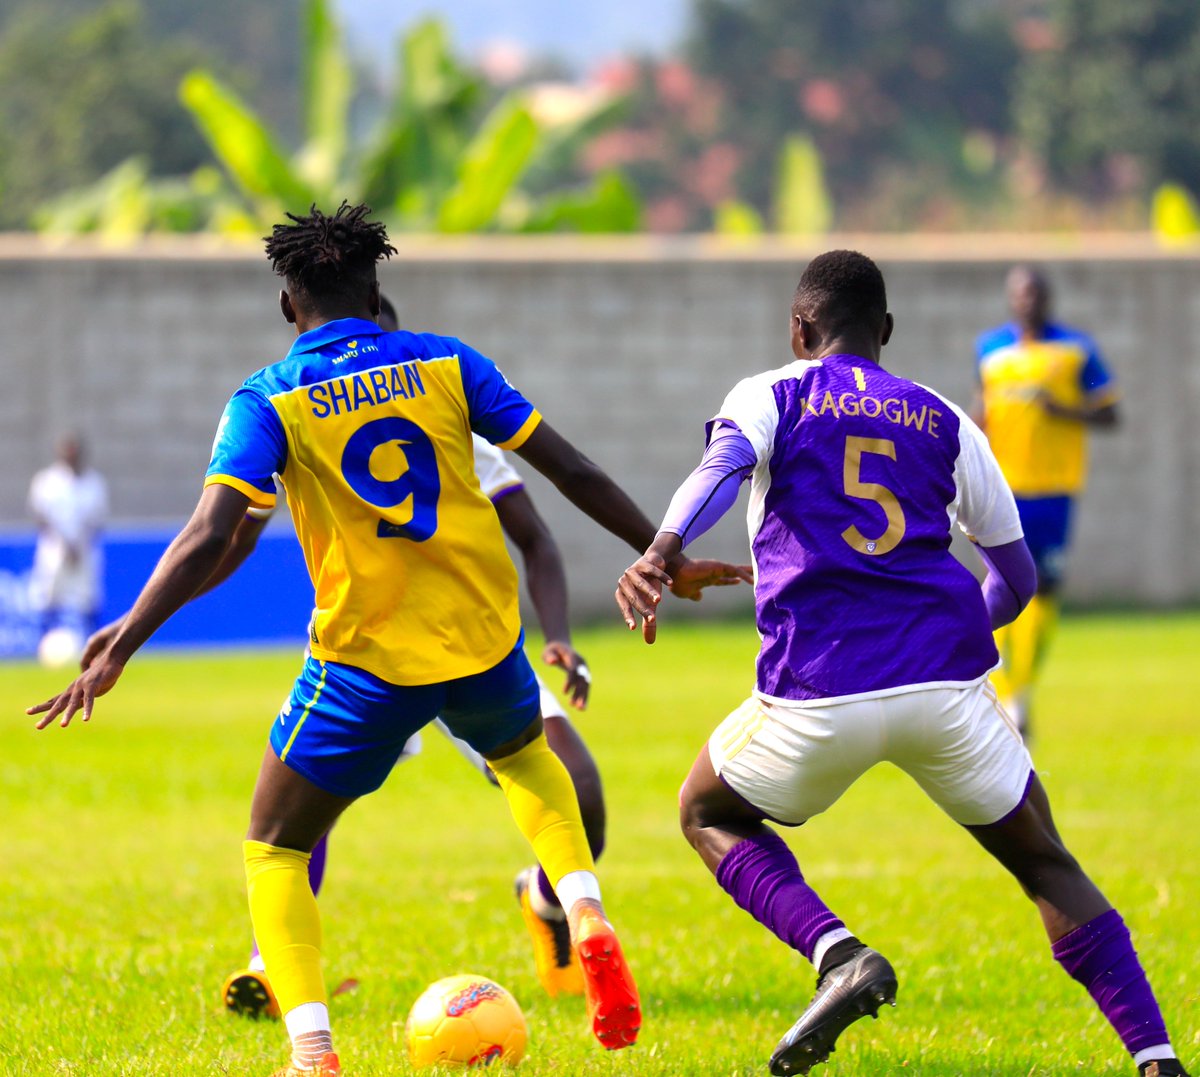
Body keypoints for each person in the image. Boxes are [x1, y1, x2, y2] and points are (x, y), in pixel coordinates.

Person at [31, 201, 747, 1077]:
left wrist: (124, 639)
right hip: (483, 640)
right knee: (525, 761)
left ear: (289, 305)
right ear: (376, 290)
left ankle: (314, 1052)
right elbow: (573, 470)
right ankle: (586, 907)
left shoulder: (269, 397)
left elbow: (211, 534)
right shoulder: (448, 362)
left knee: (275, 844)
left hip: (366, 659)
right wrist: (658, 554)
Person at [615, 251, 1187, 1077]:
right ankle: (1159, 1059)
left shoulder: (772, 391)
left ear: (799, 330)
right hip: (946, 692)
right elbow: (1016, 577)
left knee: (707, 810)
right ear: (885, 332)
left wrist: (662, 549)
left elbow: (723, 468)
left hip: (818, 692)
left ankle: (838, 951)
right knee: (1047, 863)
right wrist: (945, 646)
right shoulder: (950, 419)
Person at [81, 296, 609, 1014]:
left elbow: (536, 536)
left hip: (430, 646)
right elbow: (233, 538)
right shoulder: (430, 380)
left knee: (583, 792)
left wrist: (560, 636)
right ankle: (270, 964)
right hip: (423, 648)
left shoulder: (406, 406)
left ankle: (549, 905)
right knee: (317, 811)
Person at [974, 266, 1120, 735]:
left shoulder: (1076, 349)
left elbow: (1110, 413)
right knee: (1004, 584)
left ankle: (1021, 687)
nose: (1027, 301)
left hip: (1055, 489)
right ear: (1011, 300)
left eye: (1035, 293)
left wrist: (1064, 411)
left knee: (1045, 590)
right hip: (1004, 488)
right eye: (1020, 294)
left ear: (1047, 298)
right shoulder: (991, 350)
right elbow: (985, 410)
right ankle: (1007, 691)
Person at [28, 434, 108, 645]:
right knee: (48, 595)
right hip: (54, 548)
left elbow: (98, 519)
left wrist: (80, 542)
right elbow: (40, 515)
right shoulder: (47, 481)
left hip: (84, 549)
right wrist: (64, 542)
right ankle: (44, 642)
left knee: (88, 597)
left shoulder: (94, 482)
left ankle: (94, 644)